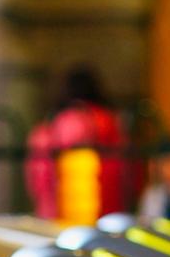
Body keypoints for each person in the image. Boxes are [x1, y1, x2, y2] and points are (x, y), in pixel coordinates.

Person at [25, 65, 133, 222]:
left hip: (58, 210)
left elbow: (39, 175)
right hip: (106, 210)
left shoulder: (52, 124)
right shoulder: (110, 122)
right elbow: (128, 172)